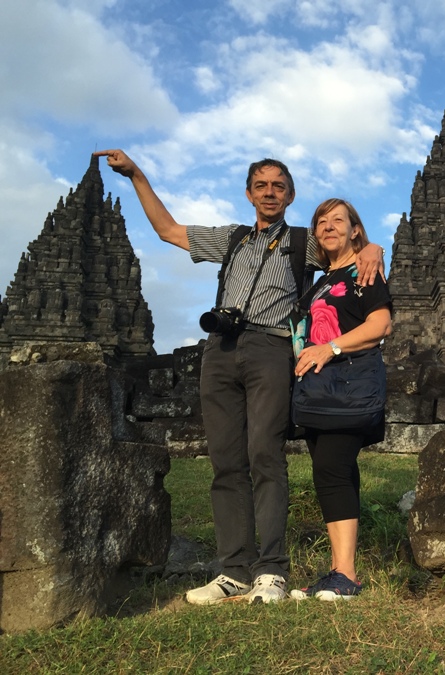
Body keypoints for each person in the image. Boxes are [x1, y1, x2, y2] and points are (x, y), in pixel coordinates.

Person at [93, 150, 385, 604]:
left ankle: (271, 570)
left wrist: (372, 248)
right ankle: (234, 569)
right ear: (249, 193)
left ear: (290, 195)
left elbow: (342, 246)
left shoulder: (304, 240)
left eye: (279, 186)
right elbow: (168, 231)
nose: (270, 193)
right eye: (261, 185)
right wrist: (136, 176)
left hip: (270, 347)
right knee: (226, 461)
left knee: (264, 455)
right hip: (220, 351)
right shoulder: (231, 239)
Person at [288, 198, 392, 601]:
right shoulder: (320, 279)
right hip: (318, 389)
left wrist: (328, 348)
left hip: (347, 384)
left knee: (331, 469)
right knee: (336, 471)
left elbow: (381, 323)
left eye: (338, 220)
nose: (328, 226)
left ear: (355, 230)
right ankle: (338, 571)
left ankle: (345, 575)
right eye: (321, 222)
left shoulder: (363, 269)